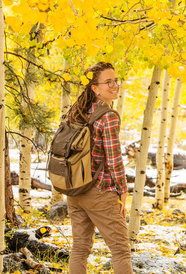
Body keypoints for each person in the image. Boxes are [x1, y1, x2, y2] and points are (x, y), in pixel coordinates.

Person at [65, 62, 133, 274]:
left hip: (75, 190)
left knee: (80, 249)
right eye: (108, 82)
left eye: (116, 81)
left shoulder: (78, 112)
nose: (114, 86)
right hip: (100, 192)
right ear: (94, 88)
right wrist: (123, 190)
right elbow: (114, 160)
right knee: (121, 250)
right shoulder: (108, 116)